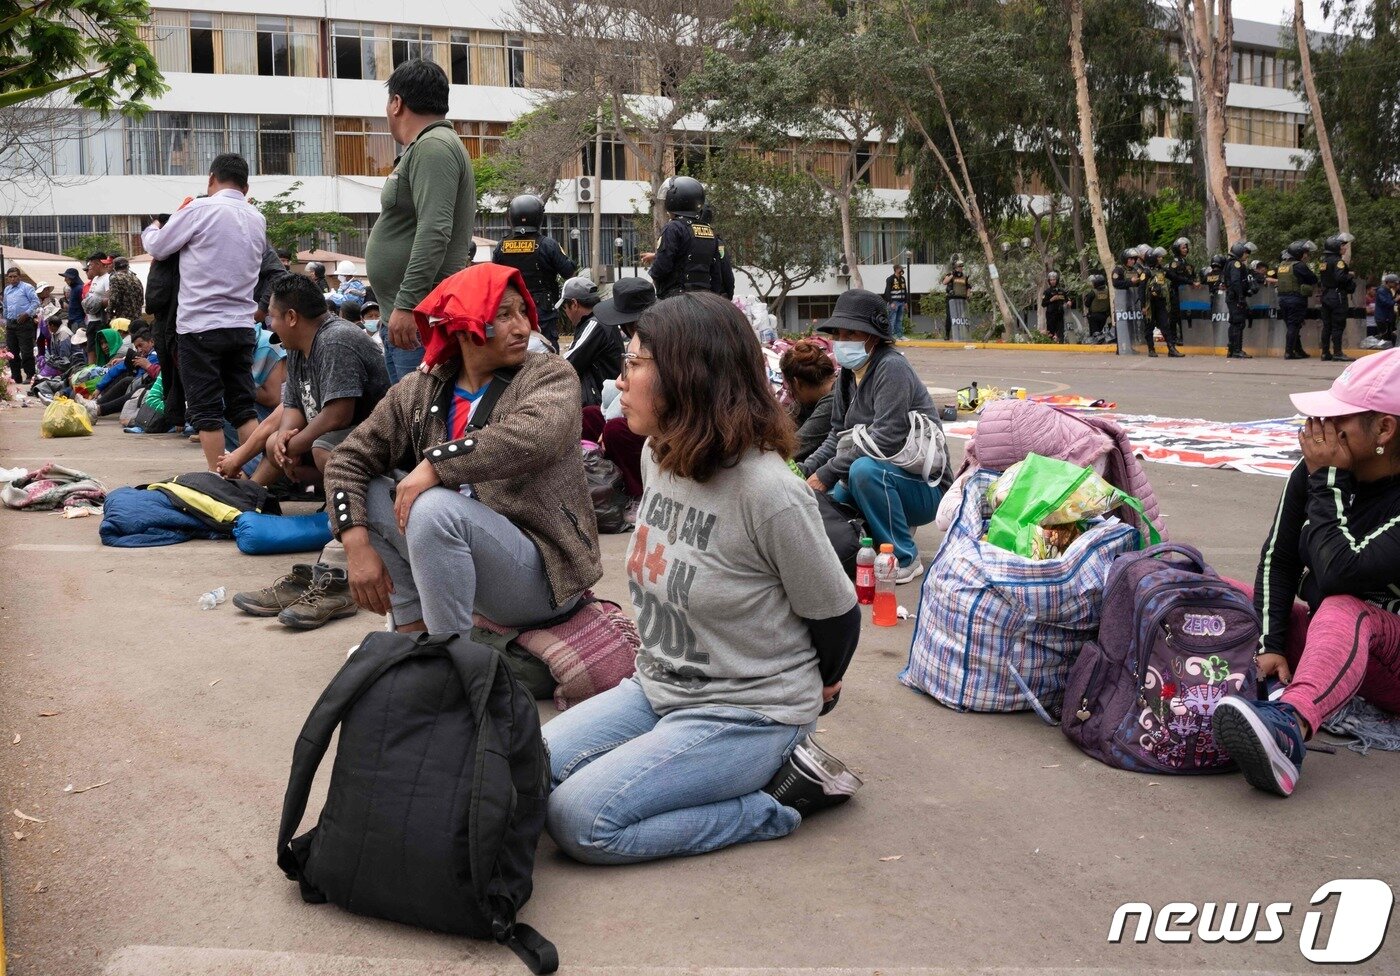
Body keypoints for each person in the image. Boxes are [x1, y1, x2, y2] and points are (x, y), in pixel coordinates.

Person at [542, 291, 862, 864]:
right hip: (657, 686)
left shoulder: (769, 493)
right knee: (524, 771)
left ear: (687, 378)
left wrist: (824, 682)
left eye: (634, 365)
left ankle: (774, 801)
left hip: (746, 712)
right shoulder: (657, 456)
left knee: (580, 819)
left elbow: (837, 613)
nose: (619, 382)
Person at [323, 262, 601, 640]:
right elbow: (347, 459)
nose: (522, 327)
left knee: (433, 508)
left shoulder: (548, 373)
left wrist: (436, 465)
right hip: (453, 550)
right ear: (466, 326)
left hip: (541, 573)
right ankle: (412, 629)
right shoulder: (420, 388)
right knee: (370, 491)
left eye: (523, 312)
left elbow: (535, 435)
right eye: (503, 315)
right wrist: (354, 544)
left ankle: (449, 657)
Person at [1213, 350, 1400, 797]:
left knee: (1340, 608)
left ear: (1385, 429)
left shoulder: (1326, 474)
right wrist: (1270, 643)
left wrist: (1328, 481)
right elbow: (1278, 557)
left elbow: (1340, 573)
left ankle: (1288, 727)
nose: (1316, 428)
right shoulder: (1318, 471)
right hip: (1338, 644)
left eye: (1336, 418)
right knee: (1218, 591)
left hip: (1389, 657)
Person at [800, 289, 951, 582]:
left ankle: (905, 557)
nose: (843, 342)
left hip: (924, 487)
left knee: (862, 471)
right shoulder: (847, 373)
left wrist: (828, 473)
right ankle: (893, 525)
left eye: (852, 334)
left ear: (873, 336)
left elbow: (887, 438)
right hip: (889, 475)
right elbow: (836, 436)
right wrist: (807, 471)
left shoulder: (891, 367)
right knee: (834, 497)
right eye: (839, 335)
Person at [140, 152, 268, 471]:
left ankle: (221, 481)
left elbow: (157, 246)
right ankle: (256, 478)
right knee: (243, 408)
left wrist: (155, 224)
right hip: (241, 327)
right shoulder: (257, 217)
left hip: (200, 328)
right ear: (246, 187)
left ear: (211, 179)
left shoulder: (199, 209)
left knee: (206, 412)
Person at [368, 58, 476, 384]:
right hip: (407, 318)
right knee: (405, 423)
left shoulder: (434, 146)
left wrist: (407, 304)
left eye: (388, 102)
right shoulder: (428, 146)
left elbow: (434, 231)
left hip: (419, 319)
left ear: (397, 103)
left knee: (419, 427)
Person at [580, 278, 657, 500]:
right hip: (634, 407)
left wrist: (609, 421)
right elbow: (620, 386)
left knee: (615, 430)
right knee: (590, 415)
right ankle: (601, 482)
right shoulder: (635, 342)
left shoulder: (660, 344)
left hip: (659, 420)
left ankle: (637, 495)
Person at [492, 194, 576, 350]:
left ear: (512, 216)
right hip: (542, 309)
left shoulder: (501, 246)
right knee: (547, 349)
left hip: (512, 308)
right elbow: (568, 271)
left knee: (515, 347)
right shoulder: (548, 245)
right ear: (538, 217)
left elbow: (495, 278)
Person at [647, 176, 722, 300]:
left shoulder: (673, 227)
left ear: (674, 200)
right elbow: (716, 270)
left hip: (677, 298)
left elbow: (662, 265)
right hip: (706, 297)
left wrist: (654, 278)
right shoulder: (709, 230)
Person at [559, 276, 620, 407]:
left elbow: (568, 362)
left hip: (601, 402)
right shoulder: (602, 319)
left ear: (574, 304)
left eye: (565, 308)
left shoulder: (594, 324)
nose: (566, 313)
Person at [780, 340, 836, 463]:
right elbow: (782, 419)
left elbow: (793, 449)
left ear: (796, 383)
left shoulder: (834, 401)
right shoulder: (810, 400)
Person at [1277, 240, 1319, 361]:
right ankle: (1289, 352)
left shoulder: (1282, 265)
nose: (1306, 255)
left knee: (1292, 326)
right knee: (1294, 325)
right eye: (1305, 253)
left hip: (1283, 299)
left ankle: (1299, 350)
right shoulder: (1299, 265)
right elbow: (1313, 278)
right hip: (1296, 299)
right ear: (1298, 253)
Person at [1319, 233, 1357, 363]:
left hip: (1326, 295)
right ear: (1336, 247)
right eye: (1342, 246)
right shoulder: (1338, 262)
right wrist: (1350, 279)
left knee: (1327, 325)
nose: (1345, 248)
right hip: (1337, 296)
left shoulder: (1324, 261)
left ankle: (1325, 353)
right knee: (1338, 325)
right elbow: (1340, 277)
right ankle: (1337, 352)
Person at [4, 266, 39, 383]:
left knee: (26, 351)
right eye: (10, 277)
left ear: (19, 277)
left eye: (15, 276)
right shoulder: (7, 290)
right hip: (11, 324)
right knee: (12, 352)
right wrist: (6, 320)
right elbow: (5, 306)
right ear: (7, 278)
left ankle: (30, 375)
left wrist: (27, 314)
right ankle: (16, 377)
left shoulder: (27, 287)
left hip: (24, 324)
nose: (13, 279)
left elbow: (36, 302)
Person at [1224, 240, 1257, 360]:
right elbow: (1236, 281)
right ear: (1239, 252)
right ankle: (1237, 350)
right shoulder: (1235, 264)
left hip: (1233, 297)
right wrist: (1240, 297)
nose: (1247, 256)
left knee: (1234, 323)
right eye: (1245, 253)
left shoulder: (1230, 263)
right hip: (1235, 298)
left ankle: (1232, 350)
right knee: (1238, 323)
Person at [701, 204, 736, 299]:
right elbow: (726, 271)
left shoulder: (684, 237)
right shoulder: (716, 242)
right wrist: (729, 295)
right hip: (714, 297)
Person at [1111, 248, 1143, 350]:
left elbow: (1143, 279)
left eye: (1134, 259)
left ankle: (1130, 345)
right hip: (1122, 302)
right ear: (1125, 259)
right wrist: (1130, 282)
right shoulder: (1118, 270)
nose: (1133, 261)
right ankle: (1120, 346)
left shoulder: (1137, 269)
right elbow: (1116, 283)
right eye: (1130, 259)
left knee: (1131, 324)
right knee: (1121, 323)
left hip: (1133, 301)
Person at [1165, 237, 1195, 342]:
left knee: (1186, 315)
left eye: (1186, 247)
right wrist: (1189, 282)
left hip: (1187, 294)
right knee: (1175, 315)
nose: (1186, 249)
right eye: (1183, 248)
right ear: (1178, 249)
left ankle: (1184, 336)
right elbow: (1173, 277)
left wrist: (1194, 283)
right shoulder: (1174, 263)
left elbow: (1192, 277)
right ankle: (1174, 338)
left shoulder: (1188, 264)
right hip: (1176, 292)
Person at [107, 256, 145, 323]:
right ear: (127, 266)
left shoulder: (115, 278)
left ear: (115, 267)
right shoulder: (135, 278)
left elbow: (114, 299)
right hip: (137, 317)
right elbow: (141, 299)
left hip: (123, 318)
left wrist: (109, 314)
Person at [83, 253, 111, 334]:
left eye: (91, 265)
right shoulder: (95, 278)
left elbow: (109, 300)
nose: (90, 268)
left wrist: (95, 302)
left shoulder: (107, 278)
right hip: (90, 319)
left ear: (98, 264)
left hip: (100, 321)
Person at [942, 259, 969, 340]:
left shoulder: (964, 276)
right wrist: (952, 275)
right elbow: (944, 282)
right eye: (959, 266)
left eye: (961, 266)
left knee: (960, 318)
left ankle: (959, 334)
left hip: (961, 299)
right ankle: (947, 334)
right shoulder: (950, 274)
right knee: (950, 317)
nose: (961, 268)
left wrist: (968, 295)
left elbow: (968, 287)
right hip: (952, 300)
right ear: (955, 267)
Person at [1040, 270, 1068, 343]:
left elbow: (1067, 300)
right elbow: (1043, 304)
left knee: (1061, 332)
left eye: (1054, 280)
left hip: (1060, 314)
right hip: (1051, 315)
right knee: (1051, 332)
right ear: (1049, 281)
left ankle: (1061, 344)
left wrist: (1068, 302)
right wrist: (1051, 300)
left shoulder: (1062, 291)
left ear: (1057, 280)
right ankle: (1051, 344)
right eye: (1051, 280)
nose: (1053, 281)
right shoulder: (1047, 292)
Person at [884, 264, 909, 340]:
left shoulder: (902, 279)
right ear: (896, 269)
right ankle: (892, 336)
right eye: (901, 269)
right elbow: (887, 292)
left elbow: (905, 291)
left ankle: (900, 335)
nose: (902, 270)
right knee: (892, 319)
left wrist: (906, 302)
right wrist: (891, 302)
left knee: (899, 320)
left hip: (902, 302)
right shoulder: (890, 279)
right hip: (894, 302)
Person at [1372, 273, 1397, 350]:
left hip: (1387, 318)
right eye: (1394, 282)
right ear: (1388, 282)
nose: (1395, 284)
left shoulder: (1388, 290)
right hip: (1382, 318)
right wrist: (1396, 300)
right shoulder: (1382, 291)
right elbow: (1386, 303)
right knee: (1385, 336)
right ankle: (1378, 348)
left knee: (1389, 337)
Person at [1084, 272, 1111, 343]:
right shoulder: (1108, 291)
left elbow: (1087, 304)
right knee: (1099, 331)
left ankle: (1096, 346)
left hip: (1094, 316)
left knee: (1095, 334)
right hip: (1104, 316)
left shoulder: (1093, 292)